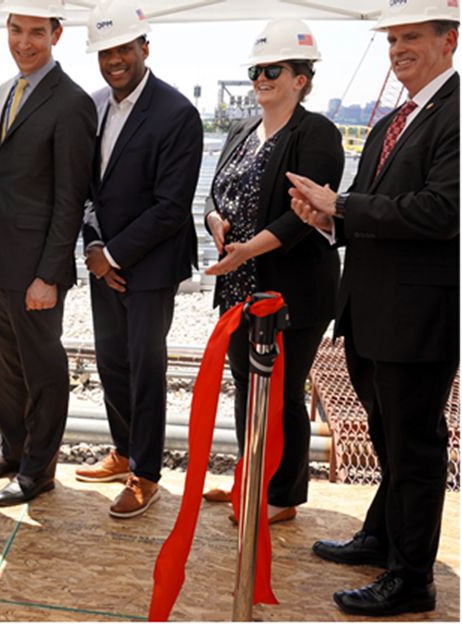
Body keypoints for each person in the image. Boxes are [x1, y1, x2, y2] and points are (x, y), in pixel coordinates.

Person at [288, 0, 459, 616]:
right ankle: (383, 537)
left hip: (418, 318)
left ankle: (412, 580)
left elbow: (443, 212)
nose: (398, 50)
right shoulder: (393, 121)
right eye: (393, 40)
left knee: (414, 447)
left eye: (411, 38)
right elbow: (366, 208)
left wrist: (343, 208)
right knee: (389, 437)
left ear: (450, 41)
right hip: (369, 312)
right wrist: (326, 219)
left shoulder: (457, 114)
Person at [199, 19, 344, 525]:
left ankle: (281, 495)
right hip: (240, 286)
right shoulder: (241, 130)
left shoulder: (317, 132)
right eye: (257, 69)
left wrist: (247, 251)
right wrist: (216, 221)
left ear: (301, 77)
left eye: (273, 70)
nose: (261, 78)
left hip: (293, 292)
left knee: (282, 391)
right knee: (246, 384)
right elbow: (217, 194)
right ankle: (251, 477)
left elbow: (303, 214)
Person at [0, 0, 97, 506]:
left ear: (56, 35)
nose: (25, 42)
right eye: (17, 30)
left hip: (36, 269)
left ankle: (39, 471)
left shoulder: (72, 103)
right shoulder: (5, 91)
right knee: (3, 364)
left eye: (36, 32)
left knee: (42, 368)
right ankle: (12, 452)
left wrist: (49, 274)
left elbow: (70, 200)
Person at [74, 0, 203, 520]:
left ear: (144, 48)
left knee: (146, 368)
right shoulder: (95, 104)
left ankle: (145, 474)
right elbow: (85, 189)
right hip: (104, 260)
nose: (115, 60)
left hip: (150, 267)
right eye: (106, 52)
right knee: (111, 362)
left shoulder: (177, 114)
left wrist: (115, 254)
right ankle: (123, 450)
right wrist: (93, 248)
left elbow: (171, 206)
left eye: (124, 49)